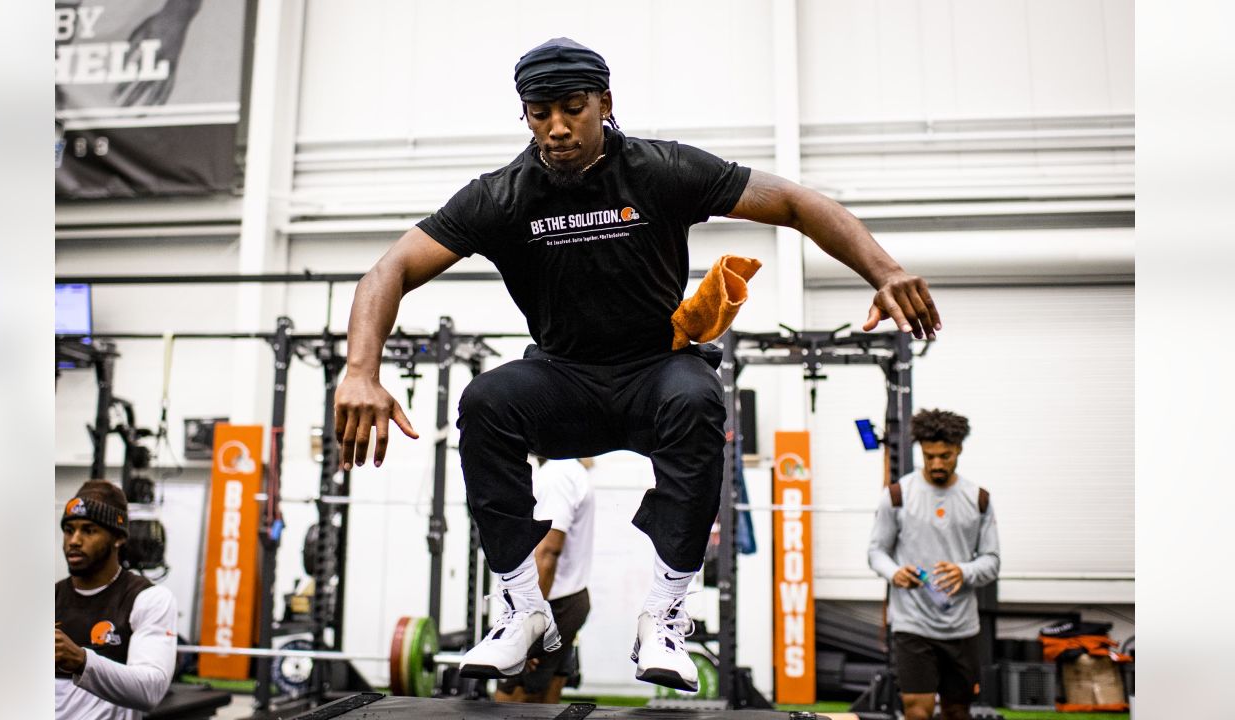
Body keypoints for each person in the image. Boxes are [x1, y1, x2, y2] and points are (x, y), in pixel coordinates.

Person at [335, 37, 941, 692]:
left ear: (605, 103)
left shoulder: (662, 171)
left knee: (700, 397)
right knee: (486, 402)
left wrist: (884, 270)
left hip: (656, 373)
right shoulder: (503, 196)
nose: (558, 128)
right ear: (525, 115)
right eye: (541, 113)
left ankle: (664, 617)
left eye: (573, 108)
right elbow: (388, 269)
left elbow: (796, 203)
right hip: (563, 379)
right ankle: (523, 609)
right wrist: (361, 369)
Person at [867, 409, 1000, 720]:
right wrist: (895, 573)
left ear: (959, 450)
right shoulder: (898, 496)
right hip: (912, 625)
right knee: (917, 709)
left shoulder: (977, 498)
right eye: (930, 456)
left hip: (962, 627)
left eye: (946, 456)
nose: (937, 463)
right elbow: (876, 552)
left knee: (957, 711)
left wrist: (964, 571)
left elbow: (992, 561)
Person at [56, 480, 178, 719]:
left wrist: (81, 661)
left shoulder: (148, 599)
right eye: (69, 530)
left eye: (89, 530)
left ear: (118, 538)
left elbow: (150, 690)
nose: (74, 541)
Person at [494, 456, 595, 704]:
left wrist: (529, 630)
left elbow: (548, 553)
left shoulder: (556, 474)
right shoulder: (569, 470)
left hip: (553, 605)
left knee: (510, 701)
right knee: (547, 699)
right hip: (567, 600)